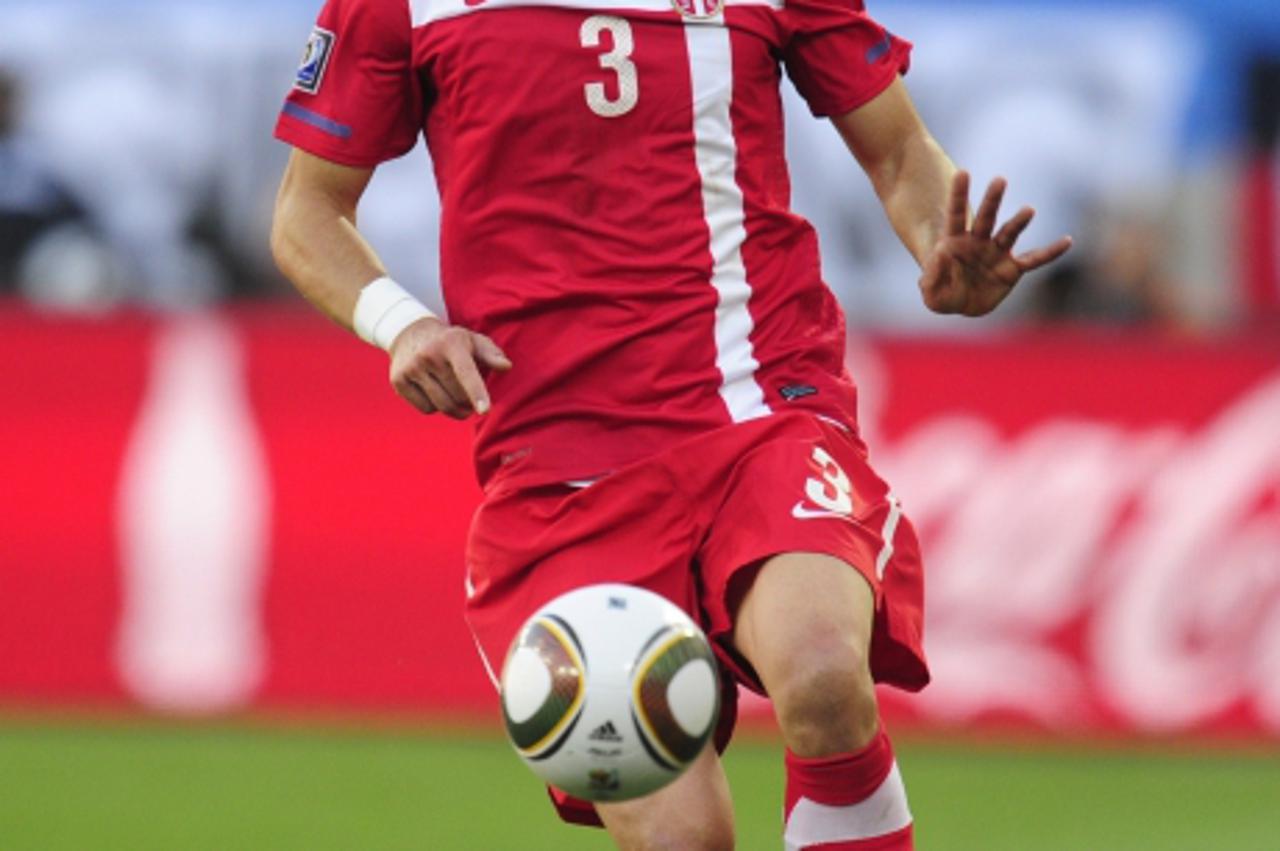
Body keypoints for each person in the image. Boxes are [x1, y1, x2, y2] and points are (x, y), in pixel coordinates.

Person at [271, 2, 1071, 848]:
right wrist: (404, 325)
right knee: (684, 835)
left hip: (759, 406)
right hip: (559, 466)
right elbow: (306, 210)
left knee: (824, 677)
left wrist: (934, 241)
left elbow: (900, 150)